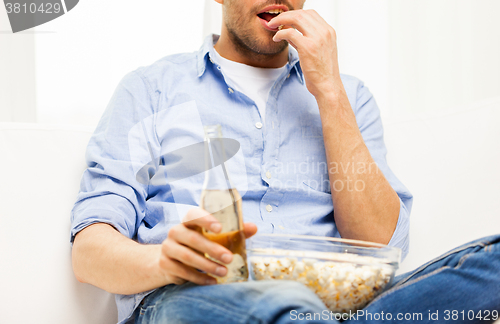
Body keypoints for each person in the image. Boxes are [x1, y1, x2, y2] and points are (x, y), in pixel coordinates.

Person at [70, 0, 500, 323]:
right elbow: (89, 253)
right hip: (199, 299)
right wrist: (165, 261)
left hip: (345, 307)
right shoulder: (151, 89)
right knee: (273, 305)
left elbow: (381, 250)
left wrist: (329, 91)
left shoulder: (348, 95)